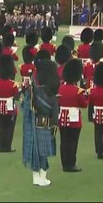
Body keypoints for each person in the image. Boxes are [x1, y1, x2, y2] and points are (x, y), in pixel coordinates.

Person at [21, 59, 60, 187]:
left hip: (34, 126)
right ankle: (42, 179)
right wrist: (54, 132)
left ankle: (36, 178)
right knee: (43, 154)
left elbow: (25, 106)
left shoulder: (35, 92)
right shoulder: (52, 97)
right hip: (45, 127)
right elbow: (55, 117)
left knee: (35, 154)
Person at [58, 58, 88, 173]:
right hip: (74, 119)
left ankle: (65, 164)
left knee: (64, 141)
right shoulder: (78, 91)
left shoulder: (60, 88)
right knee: (72, 142)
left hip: (62, 118)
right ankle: (71, 164)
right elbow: (84, 104)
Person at [0, 55, 19, 153]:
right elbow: (16, 96)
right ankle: (7, 146)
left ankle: (1, 146)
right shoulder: (13, 84)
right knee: (9, 128)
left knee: (2, 127)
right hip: (10, 109)